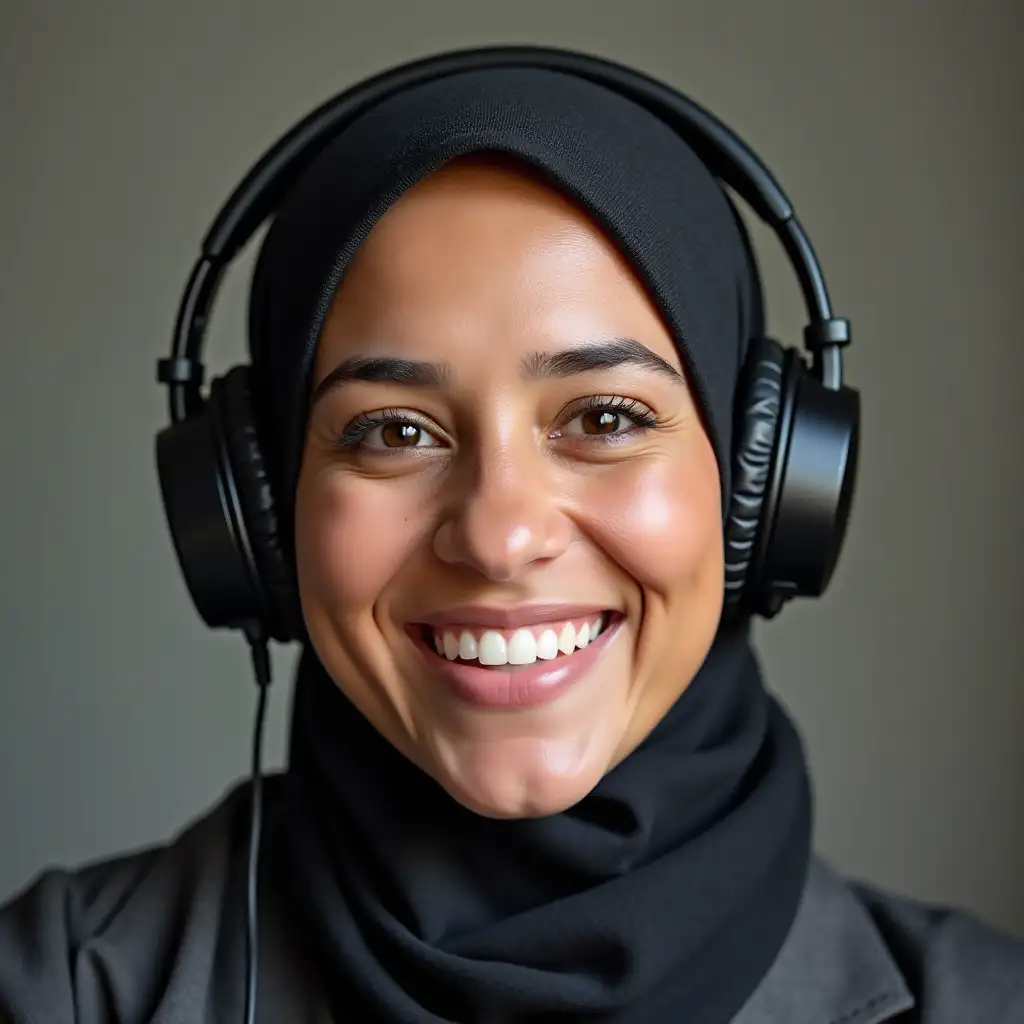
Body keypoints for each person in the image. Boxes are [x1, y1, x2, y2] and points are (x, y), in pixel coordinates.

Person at [1, 48, 1022, 1024]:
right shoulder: (59, 988)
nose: (498, 535)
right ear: (258, 508)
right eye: (394, 431)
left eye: (605, 418)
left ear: (763, 484)